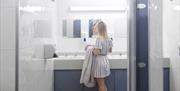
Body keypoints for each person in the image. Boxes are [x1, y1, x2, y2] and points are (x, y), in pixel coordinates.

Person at [92, 20, 113, 91]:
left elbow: (97, 52)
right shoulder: (109, 38)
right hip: (105, 61)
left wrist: (92, 50)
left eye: (95, 27)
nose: (94, 28)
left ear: (99, 28)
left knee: (101, 85)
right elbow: (110, 50)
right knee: (103, 84)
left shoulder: (99, 38)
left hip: (100, 62)